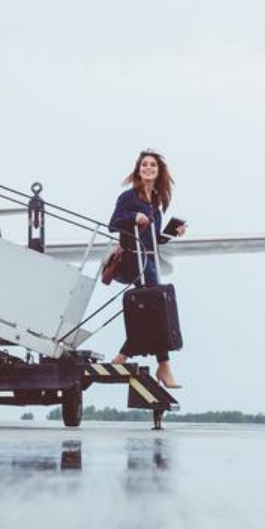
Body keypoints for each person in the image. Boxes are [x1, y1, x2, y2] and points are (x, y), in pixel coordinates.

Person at [108, 149, 189, 388]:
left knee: (154, 310)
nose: (148, 168)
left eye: (153, 165)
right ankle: (163, 367)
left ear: (159, 171)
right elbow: (113, 224)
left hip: (149, 257)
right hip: (134, 257)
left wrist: (173, 233)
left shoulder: (156, 201)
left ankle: (123, 356)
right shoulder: (129, 197)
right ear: (138, 169)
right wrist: (134, 217)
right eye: (144, 165)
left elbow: (155, 238)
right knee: (157, 306)